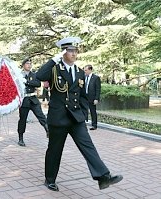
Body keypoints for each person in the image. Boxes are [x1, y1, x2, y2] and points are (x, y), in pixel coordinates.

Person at [36, 36, 123, 191]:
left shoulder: (80, 72)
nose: (74, 53)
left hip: (76, 118)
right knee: (55, 150)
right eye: (70, 51)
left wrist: (83, 114)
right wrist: (53, 60)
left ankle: (103, 177)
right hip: (58, 118)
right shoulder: (55, 69)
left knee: (88, 146)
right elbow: (40, 76)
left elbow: (83, 96)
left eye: (75, 51)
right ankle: (50, 179)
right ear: (63, 52)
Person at [17, 58, 48, 146]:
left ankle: (47, 130)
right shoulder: (19, 75)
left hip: (33, 99)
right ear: (23, 65)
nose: (29, 65)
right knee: (22, 120)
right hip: (24, 100)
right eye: (27, 63)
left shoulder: (34, 74)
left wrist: (26, 82)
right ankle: (20, 138)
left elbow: (37, 84)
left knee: (41, 116)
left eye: (30, 63)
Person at [84, 65, 101, 130]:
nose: (85, 71)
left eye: (86, 70)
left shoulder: (96, 78)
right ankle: (84, 123)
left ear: (90, 70)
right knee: (84, 110)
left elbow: (98, 89)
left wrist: (96, 98)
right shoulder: (84, 77)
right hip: (85, 97)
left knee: (92, 111)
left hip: (92, 97)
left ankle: (94, 125)